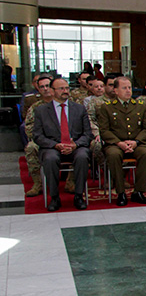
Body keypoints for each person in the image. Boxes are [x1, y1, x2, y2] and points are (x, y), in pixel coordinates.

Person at [32, 77, 92, 211]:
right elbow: (37, 135)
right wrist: (55, 145)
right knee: (50, 158)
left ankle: (78, 195)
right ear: (52, 91)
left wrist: (75, 145)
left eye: (67, 88)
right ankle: (54, 197)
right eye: (61, 89)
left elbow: (88, 134)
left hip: (75, 146)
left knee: (83, 156)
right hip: (53, 147)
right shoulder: (41, 111)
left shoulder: (79, 109)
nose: (65, 91)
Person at [97, 76, 146, 206]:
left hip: (136, 143)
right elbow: (104, 130)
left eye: (129, 87)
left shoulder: (140, 106)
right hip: (116, 144)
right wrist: (119, 143)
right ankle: (121, 192)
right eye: (124, 88)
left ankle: (138, 191)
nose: (128, 91)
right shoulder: (107, 107)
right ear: (116, 90)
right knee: (113, 155)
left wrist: (136, 142)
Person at [23, 75, 54, 197]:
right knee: (31, 148)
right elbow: (29, 126)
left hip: (62, 139)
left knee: (79, 146)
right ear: (38, 89)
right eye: (42, 87)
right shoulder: (36, 107)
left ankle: (71, 182)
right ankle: (38, 183)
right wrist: (42, 139)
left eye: (47, 86)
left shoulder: (64, 104)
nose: (45, 89)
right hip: (41, 139)